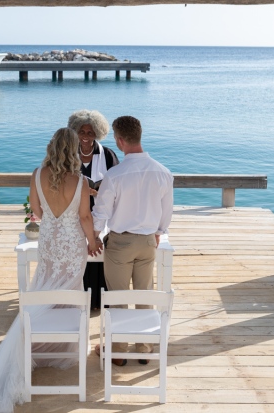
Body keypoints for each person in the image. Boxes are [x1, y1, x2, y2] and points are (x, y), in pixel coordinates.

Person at [0, 127, 102, 413]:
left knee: (44, 287)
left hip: (49, 240)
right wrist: (93, 241)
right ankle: (62, 347)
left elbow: (37, 209)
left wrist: (55, 222)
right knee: (69, 290)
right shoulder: (81, 181)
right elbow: (85, 216)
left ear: (51, 147)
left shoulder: (36, 174)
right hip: (72, 244)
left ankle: (42, 342)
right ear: (72, 150)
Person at [92, 116, 173, 366]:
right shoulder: (162, 172)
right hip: (148, 241)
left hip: (120, 243)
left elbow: (101, 212)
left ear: (119, 140)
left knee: (117, 297)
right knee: (144, 294)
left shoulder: (115, 175)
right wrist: (158, 231)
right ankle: (144, 347)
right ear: (139, 135)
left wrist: (93, 236)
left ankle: (117, 351)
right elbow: (166, 211)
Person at [67, 109, 119, 310]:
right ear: (75, 132)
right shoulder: (69, 154)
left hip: (101, 210)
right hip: (76, 211)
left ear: (97, 133)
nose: (86, 137)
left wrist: (99, 193)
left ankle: (98, 300)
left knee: (99, 251)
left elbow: (117, 182)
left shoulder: (107, 154)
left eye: (90, 133)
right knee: (81, 252)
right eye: (82, 132)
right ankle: (81, 300)